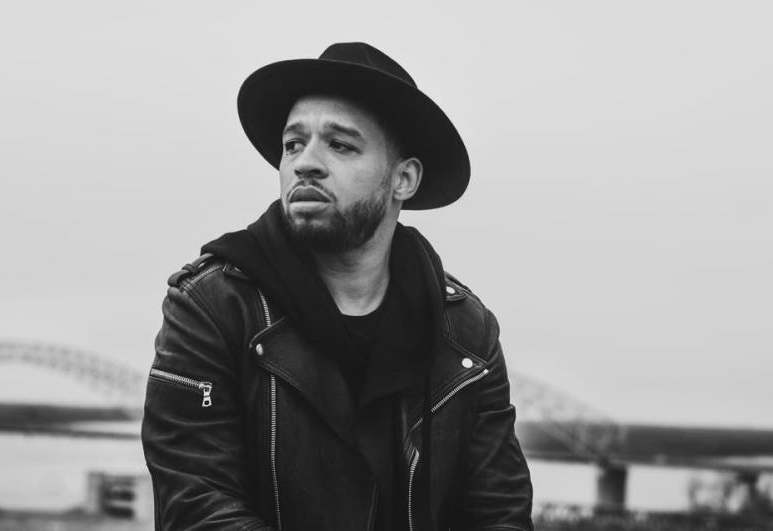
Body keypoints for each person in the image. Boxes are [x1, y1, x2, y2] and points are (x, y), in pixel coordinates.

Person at [141, 41, 534, 531]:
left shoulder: (467, 333)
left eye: (340, 145)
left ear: (403, 179)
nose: (305, 162)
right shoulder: (212, 307)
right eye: (293, 144)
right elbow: (196, 504)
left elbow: (500, 513)